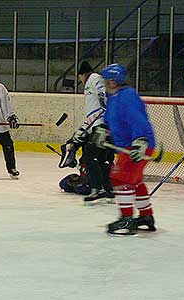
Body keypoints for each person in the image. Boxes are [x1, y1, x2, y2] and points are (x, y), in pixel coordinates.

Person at [96, 63, 156, 236]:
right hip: (127, 147)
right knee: (135, 181)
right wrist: (103, 130)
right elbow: (110, 120)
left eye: (108, 80)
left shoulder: (127, 96)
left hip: (136, 146)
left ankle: (127, 218)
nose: (105, 83)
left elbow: (138, 120)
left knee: (119, 178)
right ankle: (146, 217)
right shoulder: (113, 97)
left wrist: (140, 141)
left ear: (115, 81)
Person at [59, 61, 115, 203]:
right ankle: (107, 188)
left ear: (82, 75)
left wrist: (104, 108)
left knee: (90, 156)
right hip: (102, 125)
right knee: (104, 158)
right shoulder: (93, 81)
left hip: (101, 126)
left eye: (80, 77)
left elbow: (103, 96)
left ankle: (96, 188)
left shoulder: (94, 79)